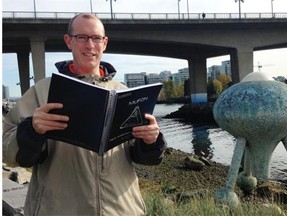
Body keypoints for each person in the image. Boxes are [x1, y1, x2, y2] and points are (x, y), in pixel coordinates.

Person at [3, 13, 167, 216]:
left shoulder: (124, 92)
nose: (90, 45)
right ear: (68, 41)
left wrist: (152, 140)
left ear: (104, 43)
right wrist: (32, 130)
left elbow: (143, 156)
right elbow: (8, 150)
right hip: (59, 210)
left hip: (122, 210)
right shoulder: (43, 91)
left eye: (96, 38)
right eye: (82, 37)